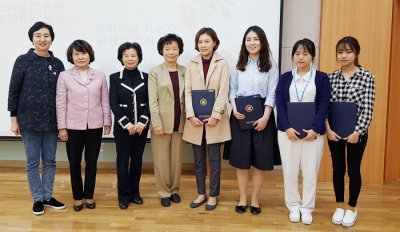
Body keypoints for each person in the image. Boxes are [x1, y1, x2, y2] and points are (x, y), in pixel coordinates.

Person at [7, 21, 66, 215]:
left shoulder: (57, 63)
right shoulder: (23, 60)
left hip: (52, 120)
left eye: (46, 35)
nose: (43, 39)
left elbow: (63, 93)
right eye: (38, 35)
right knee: (32, 162)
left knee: (50, 161)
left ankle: (48, 196)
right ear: (32, 38)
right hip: (28, 120)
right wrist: (13, 118)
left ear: (51, 39)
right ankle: (37, 199)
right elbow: (14, 91)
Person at [225, 25, 280, 215]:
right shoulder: (238, 63)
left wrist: (266, 117)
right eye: (248, 39)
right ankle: (242, 198)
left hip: (263, 112)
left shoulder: (271, 65)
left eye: (255, 39)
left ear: (262, 41)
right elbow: (232, 90)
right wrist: (234, 107)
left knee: (259, 159)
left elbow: (273, 93)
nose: (252, 43)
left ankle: (255, 199)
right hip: (240, 112)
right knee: (241, 159)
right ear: (244, 42)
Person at [275, 38, 330, 224]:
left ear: (312, 56)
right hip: (287, 134)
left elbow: (323, 105)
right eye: (297, 53)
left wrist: (314, 130)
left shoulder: (321, 78)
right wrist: (288, 128)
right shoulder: (285, 78)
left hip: (313, 135)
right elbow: (280, 105)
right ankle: (293, 205)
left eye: (305, 53)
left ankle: (307, 207)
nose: (301, 57)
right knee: (289, 172)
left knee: (310, 172)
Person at [56, 40, 112, 211]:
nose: (81, 57)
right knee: (74, 163)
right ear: (71, 57)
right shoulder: (64, 76)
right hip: (72, 127)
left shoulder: (100, 75)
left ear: (90, 55)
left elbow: (104, 99)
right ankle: (77, 197)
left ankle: (89, 195)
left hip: (94, 125)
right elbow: (60, 103)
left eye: (84, 53)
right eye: (77, 54)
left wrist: (107, 121)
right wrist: (62, 127)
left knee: (92, 163)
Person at [326, 36, 375, 228]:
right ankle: (339, 205)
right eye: (340, 52)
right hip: (334, 133)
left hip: (357, 134)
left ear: (356, 53)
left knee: (353, 170)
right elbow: (326, 108)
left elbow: (368, 109)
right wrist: (328, 130)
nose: (344, 55)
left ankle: (352, 207)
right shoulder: (330, 78)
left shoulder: (367, 77)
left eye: (348, 52)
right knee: (338, 170)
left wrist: (358, 131)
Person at [183, 27, 231, 211]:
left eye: (207, 41)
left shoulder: (222, 62)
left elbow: (223, 91)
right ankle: (201, 193)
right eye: (200, 42)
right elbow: (187, 91)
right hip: (195, 120)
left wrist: (215, 115)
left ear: (214, 43)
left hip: (214, 120)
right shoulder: (192, 63)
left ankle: (213, 195)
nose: (203, 45)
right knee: (198, 160)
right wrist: (190, 115)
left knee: (214, 160)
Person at [109, 42, 150, 210]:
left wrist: (141, 122)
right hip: (123, 129)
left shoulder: (146, 77)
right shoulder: (114, 77)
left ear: (139, 57)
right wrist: (126, 124)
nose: (130, 59)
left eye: (133, 55)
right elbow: (113, 103)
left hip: (141, 128)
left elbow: (150, 102)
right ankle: (124, 195)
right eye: (126, 56)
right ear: (121, 58)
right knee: (123, 161)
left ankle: (135, 193)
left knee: (137, 161)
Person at [148, 34, 186, 207]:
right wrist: (156, 123)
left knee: (177, 160)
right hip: (161, 123)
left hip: (181, 121)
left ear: (180, 50)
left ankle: (175, 190)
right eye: (167, 49)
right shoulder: (155, 71)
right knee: (161, 160)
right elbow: (152, 100)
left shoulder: (186, 71)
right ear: (161, 51)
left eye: (174, 48)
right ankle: (164, 192)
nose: (171, 52)